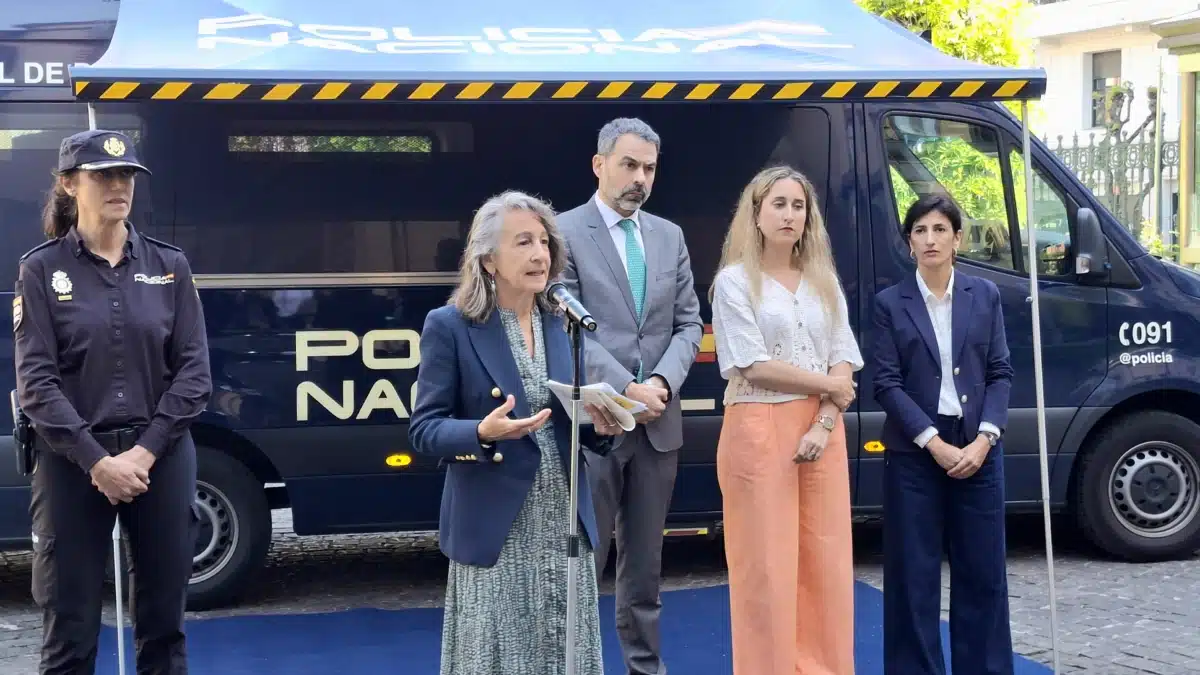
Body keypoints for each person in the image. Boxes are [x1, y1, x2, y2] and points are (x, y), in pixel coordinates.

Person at [14, 129, 212, 674]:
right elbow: (37, 384)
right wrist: (98, 462)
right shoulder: (41, 270)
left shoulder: (170, 265)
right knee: (69, 627)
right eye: (102, 176)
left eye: (125, 175)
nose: (117, 186)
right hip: (73, 462)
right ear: (68, 184)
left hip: (159, 457)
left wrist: (144, 453)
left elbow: (194, 374)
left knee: (165, 626)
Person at [408, 190, 625, 675]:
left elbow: (570, 422)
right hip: (497, 527)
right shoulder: (451, 326)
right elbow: (424, 429)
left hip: (562, 522)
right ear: (489, 260)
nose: (539, 254)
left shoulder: (562, 323)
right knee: (501, 655)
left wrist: (601, 427)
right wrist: (481, 433)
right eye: (523, 242)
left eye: (544, 242)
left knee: (564, 653)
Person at [556, 117, 703, 675]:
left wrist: (660, 384)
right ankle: (575, 666)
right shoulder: (563, 232)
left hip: (658, 424)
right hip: (596, 423)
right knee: (584, 563)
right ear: (599, 165)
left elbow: (689, 324)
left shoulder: (669, 236)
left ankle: (645, 669)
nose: (640, 178)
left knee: (645, 570)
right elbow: (564, 326)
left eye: (649, 168)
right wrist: (625, 388)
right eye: (629, 165)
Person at [709, 166, 862, 674]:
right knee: (766, 568)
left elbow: (843, 356)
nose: (789, 215)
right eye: (778, 204)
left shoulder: (824, 281)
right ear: (755, 214)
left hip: (822, 429)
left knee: (825, 562)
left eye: (799, 206)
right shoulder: (733, 282)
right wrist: (829, 388)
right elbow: (751, 363)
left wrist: (825, 420)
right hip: (758, 425)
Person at [871, 192, 1016, 675]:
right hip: (914, 454)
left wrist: (985, 438)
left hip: (978, 448)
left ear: (958, 238)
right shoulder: (889, 304)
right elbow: (886, 383)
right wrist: (932, 442)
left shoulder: (985, 295)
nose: (930, 239)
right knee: (912, 577)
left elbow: (1000, 371)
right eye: (920, 231)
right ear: (909, 243)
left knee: (983, 575)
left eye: (939, 230)